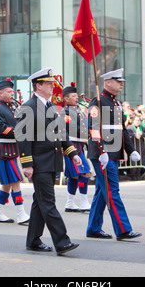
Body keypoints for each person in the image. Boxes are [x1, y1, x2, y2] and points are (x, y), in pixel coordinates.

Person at [15, 68, 81, 256]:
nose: (53, 86)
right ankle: (62, 242)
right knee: (48, 202)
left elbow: (61, 132)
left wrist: (72, 153)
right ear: (38, 85)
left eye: (53, 83)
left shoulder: (51, 106)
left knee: (40, 201)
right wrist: (27, 163)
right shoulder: (28, 107)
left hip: (52, 161)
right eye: (49, 83)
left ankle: (33, 240)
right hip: (38, 162)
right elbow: (23, 137)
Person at [86, 68, 142, 241]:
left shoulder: (116, 103)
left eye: (121, 82)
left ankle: (94, 227)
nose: (121, 84)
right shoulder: (98, 101)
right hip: (102, 153)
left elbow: (122, 129)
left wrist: (131, 149)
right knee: (112, 190)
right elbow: (93, 129)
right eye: (118, 81)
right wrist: (101, 150)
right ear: (107, 82)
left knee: (102, 191)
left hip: (114, 152)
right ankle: (123, 229)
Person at [0, 79, 30, 224]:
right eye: (9, 92)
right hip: (4, 149)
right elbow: (2, 128)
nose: (12, 94)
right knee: (15, 181)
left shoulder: (11, 107)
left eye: (12, 92)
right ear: (0, 93)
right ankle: (21, 213)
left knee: (6, 184)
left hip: (12, 148)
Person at [61, 83, 92, 213]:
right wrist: (87, 132)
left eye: (76, 95)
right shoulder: (65, 111)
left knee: (74, 175)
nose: (76, 98)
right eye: (73, 96)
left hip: (80, 145)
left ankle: (70, 203)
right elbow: (73, 128)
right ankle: (83, 201)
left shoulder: (79, 110)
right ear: (66, 99)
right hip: (71, 147)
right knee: (84, 171)